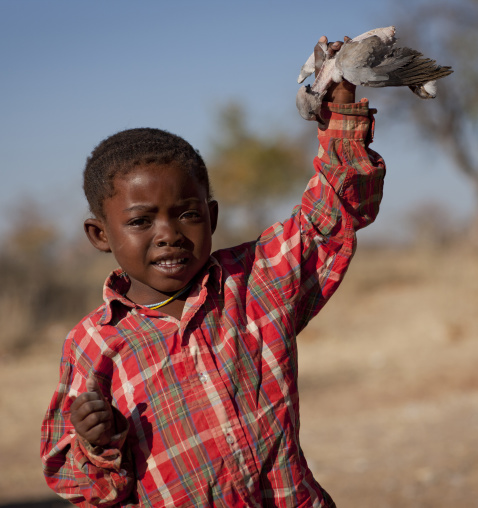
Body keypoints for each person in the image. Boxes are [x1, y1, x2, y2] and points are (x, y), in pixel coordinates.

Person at [41, 37, 386, 507]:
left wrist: (342, 111)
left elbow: (332, 216)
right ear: (100, 236)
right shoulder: (94, 345)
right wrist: (98, 443)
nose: (168, 234)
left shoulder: (255, 282)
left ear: (212, 216)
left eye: (187, 214)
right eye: (141, 221)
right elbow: (83, 486)